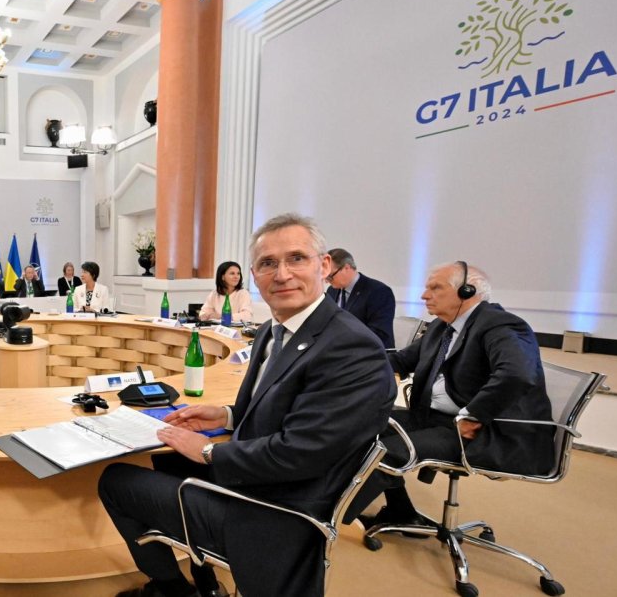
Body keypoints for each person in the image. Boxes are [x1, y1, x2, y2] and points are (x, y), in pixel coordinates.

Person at [98, 213, 395, 597]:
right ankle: (202, 581)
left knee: (116, 481)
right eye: (268, 263)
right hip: (261, 478)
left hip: (279, 509)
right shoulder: (276, 330)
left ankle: (172, 587)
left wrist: (207, 451)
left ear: (324, 267)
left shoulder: (351, 347)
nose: (282, 274)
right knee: (161, 459)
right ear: (254, 274)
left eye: (296, 259)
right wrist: (227, 415)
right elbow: (290, 409)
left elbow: (299, 454)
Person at [349, 262, 554, 528]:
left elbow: (517, 374)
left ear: (468, 291)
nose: (424, 295)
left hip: (485, 431)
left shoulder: (502, 325)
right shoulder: (442, 327)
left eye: (435, 288)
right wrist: (344, 372)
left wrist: (474, 415)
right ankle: (402, 511)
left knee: (389, 451)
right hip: (436, 418)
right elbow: (400, 360)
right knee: (361, 425)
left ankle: (333, 518)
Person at [324, 248, 396, 348]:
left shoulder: (378, 291)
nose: (327, 281)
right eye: (324, 277)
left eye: (330, 276)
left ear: (346, 268)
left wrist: (342, 341)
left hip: (370, 353)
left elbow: (379, 333)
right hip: (340, 351)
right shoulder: (332, 291)